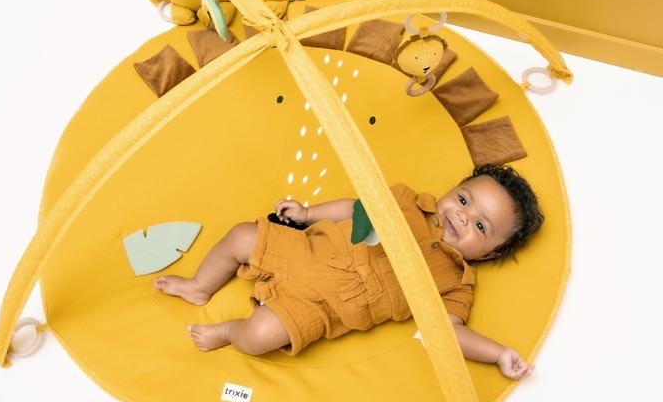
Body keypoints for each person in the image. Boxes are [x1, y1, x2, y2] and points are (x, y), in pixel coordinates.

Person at [154, 163, 543, 380]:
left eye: (480, 226)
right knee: (242, 235)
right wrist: (308, 214)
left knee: (259, 335)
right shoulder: (406, 201)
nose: (461, 216)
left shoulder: (455, 283)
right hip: (304, 250)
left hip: (320, 307)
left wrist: (497, 354)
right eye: (463, 200)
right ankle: (200, 285)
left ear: (491, 253)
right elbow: (354, 209)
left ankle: (227, 332)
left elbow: (448, 333)